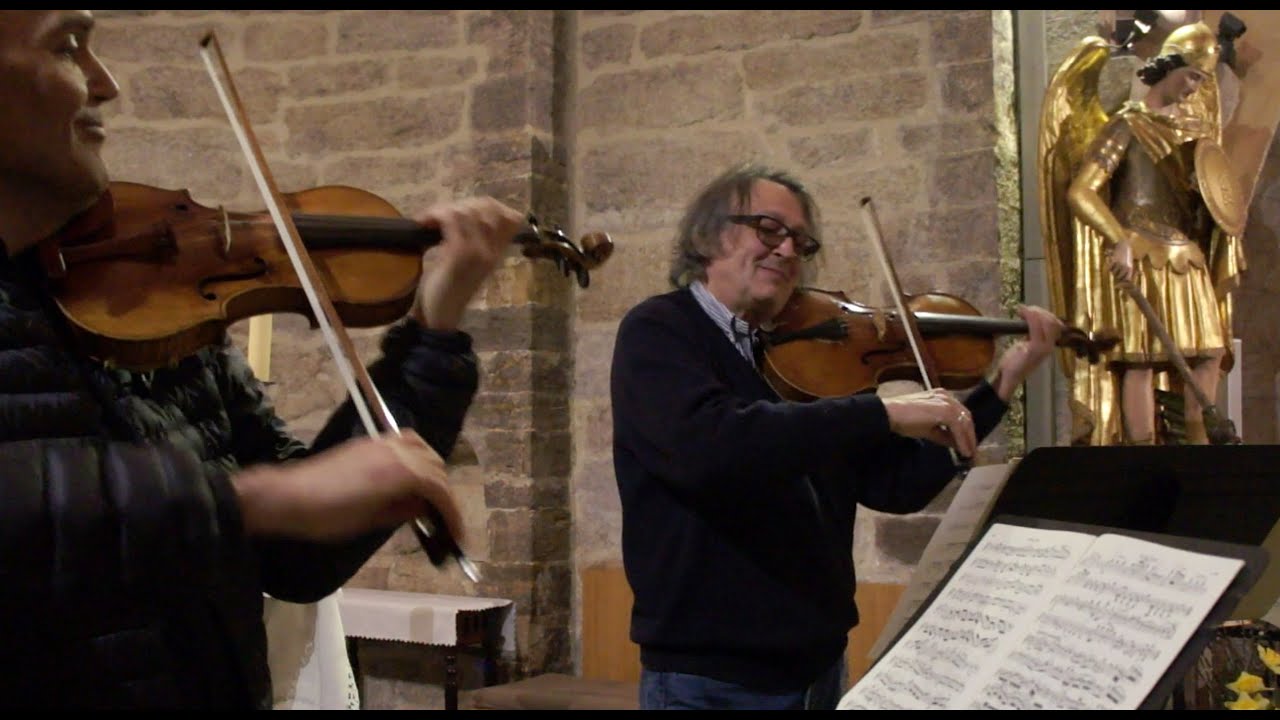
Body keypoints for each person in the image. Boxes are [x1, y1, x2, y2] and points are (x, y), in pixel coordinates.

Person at [0, 10, 527, 709]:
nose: (107, 84)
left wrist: (433, 333)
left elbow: (296, 558)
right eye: (68, 48)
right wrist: (254, 501)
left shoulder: (153, 301)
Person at [609, 164, 1066, 710]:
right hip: (713, 679)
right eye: (769, 229)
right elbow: (713, 445)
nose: (788, 250)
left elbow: (896, 485)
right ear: (709, 236)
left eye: (801, 242)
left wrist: (1001, 385)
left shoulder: (810, 363)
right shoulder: (660, 330)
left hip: (819, 668)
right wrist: (881, 411)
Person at [1046, 21, 1245, 446]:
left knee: (1209, 354)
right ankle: (1142, 452)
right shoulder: (1127, 125)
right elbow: (1081, 191)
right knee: (1140, 360)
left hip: (1186, 257)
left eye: (1201, 80)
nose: (1194, 88)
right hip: (1139, 253)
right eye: (1191, 75)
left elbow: (1215, 197)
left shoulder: (1196, 131)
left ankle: (1198, 448)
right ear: (1168, 65)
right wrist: (1117, 239)